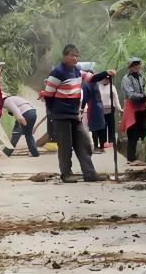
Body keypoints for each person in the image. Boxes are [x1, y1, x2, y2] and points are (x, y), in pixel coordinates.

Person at [40, 44, 112, 183]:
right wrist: (55, 113)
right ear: (64, 57)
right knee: (65, 146)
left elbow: (91, 78)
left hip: (74, 115)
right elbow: (48, 95)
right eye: (72, 55)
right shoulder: (57, 73)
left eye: (77, 55)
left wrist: (106, 73)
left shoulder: (77, 71)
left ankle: (90, 174)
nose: (75, 58)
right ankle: (66, 174)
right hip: (61, 116)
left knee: (84, 143)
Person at [121, 56, 146, 163]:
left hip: (141, 107)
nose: (137, 66)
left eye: (138, 64)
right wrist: (144, 97)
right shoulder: (126, 79)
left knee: (144, 130)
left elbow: (144, 89)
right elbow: (131, 94)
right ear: (130, 67)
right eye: (134, 65)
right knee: (132, 133)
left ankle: (143, 156)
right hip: (131, 107)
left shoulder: (142, 76)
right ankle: (131, 158)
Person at [80, 61, 107, 152]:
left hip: (93, 107)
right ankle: (102, 147)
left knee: (94, 127)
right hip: (100, 106)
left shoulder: (86, 84)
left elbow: (84, 98)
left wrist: (81, 109)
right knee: (101, 126)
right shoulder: (96, 83)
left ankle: (96, 147)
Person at [2, 93, 40, 158]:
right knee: (28, 134)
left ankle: (6, 153)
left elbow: (16, 111)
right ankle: (34, 153)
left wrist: (21, 120)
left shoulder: (6, 101)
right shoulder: (14, 98)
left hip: (24, 114)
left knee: (15, 134)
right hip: (32, 113)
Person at [98, 72, 121, 153]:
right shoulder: (98, 87)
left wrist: (119, 108)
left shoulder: (112, 87)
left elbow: (116, 99)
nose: (104, 80)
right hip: (101, 109)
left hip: (111, 108)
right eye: (102, 79)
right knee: (103, 126)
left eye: (106, 79)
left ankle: (111, 141)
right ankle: (104, 141)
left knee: (111, 125)